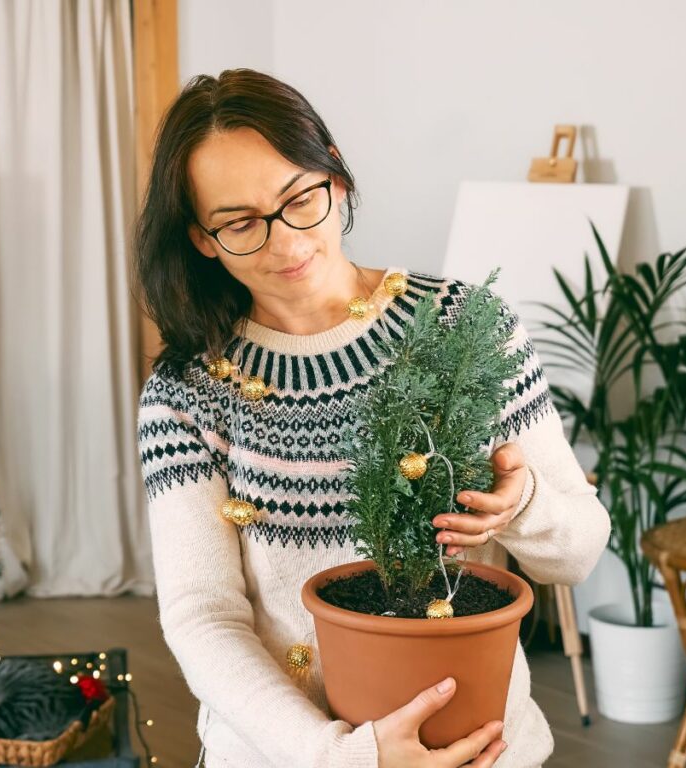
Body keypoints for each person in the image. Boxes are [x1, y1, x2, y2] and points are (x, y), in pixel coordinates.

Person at [134, 68, 610, 768]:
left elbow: (580, 552)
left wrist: (523, 506)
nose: (286, 241)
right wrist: (343, 756)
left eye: (301, 198)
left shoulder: (464, 327)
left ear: (337, 177)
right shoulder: (188, 391)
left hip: (479, 745)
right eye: (240, 223)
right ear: (202, 239)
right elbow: (202, 615)